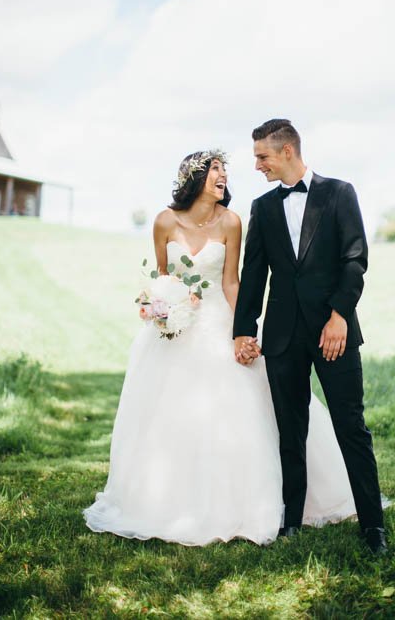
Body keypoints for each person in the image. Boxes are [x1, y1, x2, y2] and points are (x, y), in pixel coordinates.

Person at [83, 149, 359, 546]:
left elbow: (233, 281)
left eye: (225, 171)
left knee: (244, 403)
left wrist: (245, 331)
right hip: (173, 330)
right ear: (195, 177)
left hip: (217, 320)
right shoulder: (164, 221)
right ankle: (165, 499)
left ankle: (256, 501)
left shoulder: (232, 222)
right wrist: (158, 307)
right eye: (216, 170)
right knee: (168, 413)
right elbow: (163, 277)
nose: (224, 176)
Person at [233, 120, 387, 555]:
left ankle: (373, 527)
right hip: (282, 337)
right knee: (290, 431)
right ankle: (292, 521)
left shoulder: (339, 194)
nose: (257, 165)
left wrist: (340, 315)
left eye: (262, 156)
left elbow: (355, 260)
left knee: (350, 427)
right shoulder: (262, 208)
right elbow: (253, 276)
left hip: (333, 332)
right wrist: (244, 330)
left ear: (286, 152)